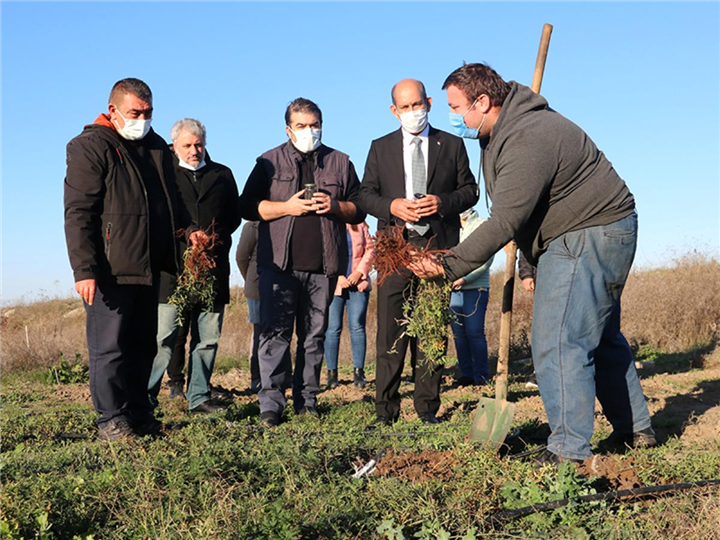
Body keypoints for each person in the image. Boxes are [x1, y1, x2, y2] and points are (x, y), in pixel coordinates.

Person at [409, 63, 655, 462]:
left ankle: (568, 450)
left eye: (456, 108)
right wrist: (531, 263)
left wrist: (448, 264)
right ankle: (635, 430)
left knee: (558, 341)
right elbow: (531, 211)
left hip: (587, 232)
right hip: (595, 229)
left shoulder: (527, 136)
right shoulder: (502, 133)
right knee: (600, 337)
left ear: (483, 102)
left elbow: (506, 219)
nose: (453, 117)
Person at [64, 78, 199, 441]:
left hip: (150, 264)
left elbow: (172, 201)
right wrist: (85, 269)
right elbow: (79, 212)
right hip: (109, 268)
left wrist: (189, 230)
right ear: (113, 111)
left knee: (143, 346)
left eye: (148, 112)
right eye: (134, 112)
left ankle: (140, 415)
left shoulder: (156, 147)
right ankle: (111, 420)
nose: (142, 118)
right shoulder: (90, 146)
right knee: (110, 348)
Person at [358, 79, 479, 426]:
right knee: (390, 334)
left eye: (418, 104)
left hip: (435, 251)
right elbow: (365, 194)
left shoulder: (452, 144)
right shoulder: (380, 148)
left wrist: (442, 202)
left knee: (431, 331)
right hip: (395, 251)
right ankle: (386, 410)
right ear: (394, 111)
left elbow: (470, 191)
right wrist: (392, 205)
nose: (413, 112)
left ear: (428, 102)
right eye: (405, 107)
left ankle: (427, 408)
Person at [239, 98, 365, 427]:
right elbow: (248, 207)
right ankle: (271, 403)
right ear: (288, 129)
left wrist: (335, 206)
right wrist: (286, 208)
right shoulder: (268, 161)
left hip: (323, 267)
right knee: (274, 335)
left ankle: (306, 399)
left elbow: (360, 208)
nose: (309, 131)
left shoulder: (340, 162)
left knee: (314, 336)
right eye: (301, 126)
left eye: (314, 125)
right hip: (278, 265)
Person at [146, 118, 241, 414]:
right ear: (174, 147)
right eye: (187, 145)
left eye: (198, 144)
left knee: (207, 339)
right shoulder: (164, 176)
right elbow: (158, 217)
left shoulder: (222, 174)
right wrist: (188, 235)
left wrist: (214, 238)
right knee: (164, 338)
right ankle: (145, 399)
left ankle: (198, 397)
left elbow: (234, 217)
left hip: (212, 270)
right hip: (172, 270)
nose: (194, 150)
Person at [324, 221, 374, 390]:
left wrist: (360, 272)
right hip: (335, 284)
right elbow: (324, 252)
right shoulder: (329, 224)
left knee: (357, 327)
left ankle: (359, 373)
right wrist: (337, 276)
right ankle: (332, 374)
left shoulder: (360, 225)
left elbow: (370, 249)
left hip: (358, 284)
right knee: (332, 329)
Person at [449, 208, 494, 386]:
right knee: (459, 333)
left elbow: (486, 259)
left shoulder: (482, 225)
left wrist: (465, 278)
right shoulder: (452, 227)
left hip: (476, 286)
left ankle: (481, 375)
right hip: (454, 288)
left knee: (475, 332)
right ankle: (466, 373)